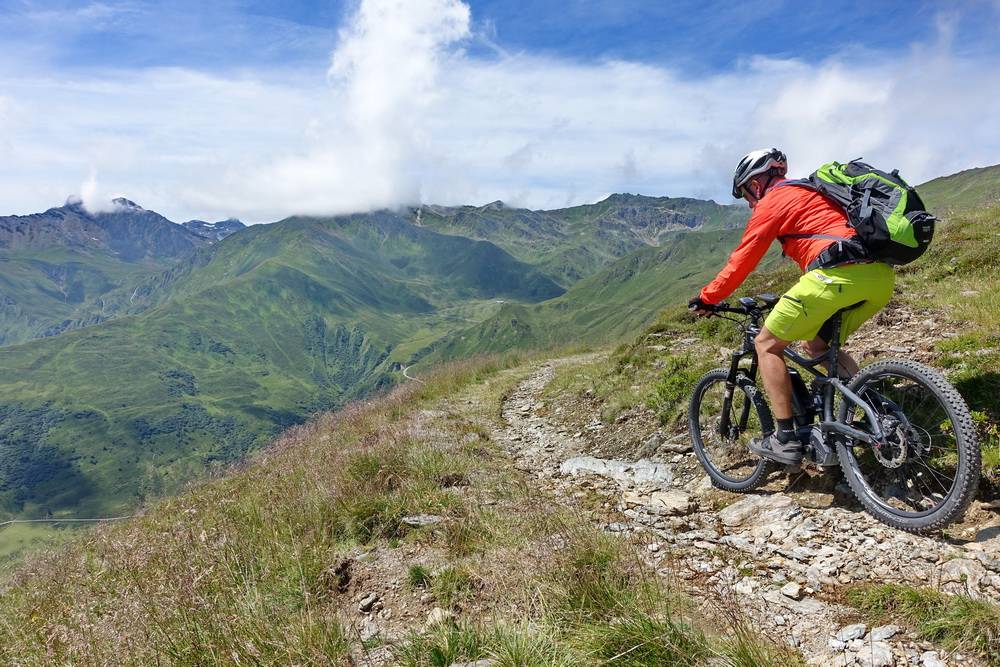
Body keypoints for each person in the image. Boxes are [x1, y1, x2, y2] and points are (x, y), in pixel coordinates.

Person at [688, 148, 894, 465]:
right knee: (816, 345)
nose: (748, 202)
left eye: (746, 194)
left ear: (756, 184)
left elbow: (742, 261)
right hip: (878, 277)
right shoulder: (812, 193)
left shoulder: (772, 201)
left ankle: (785, 439)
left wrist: (708, 297)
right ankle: (878, 413)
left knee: (766, 344)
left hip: (836, 275)